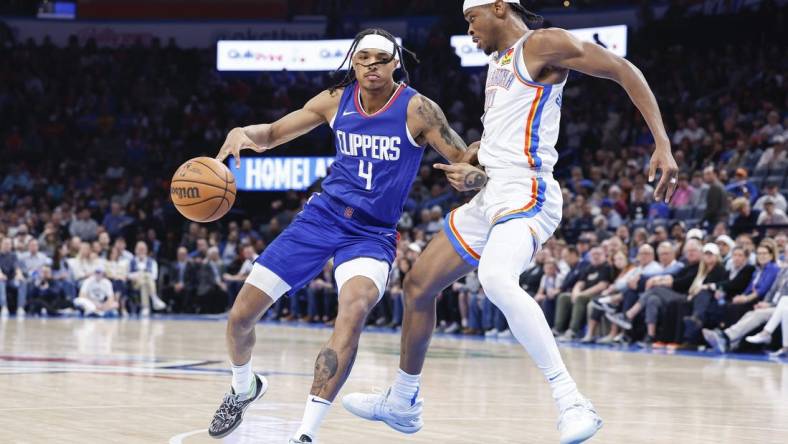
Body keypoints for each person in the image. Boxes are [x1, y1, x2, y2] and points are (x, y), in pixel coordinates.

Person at [342, 2, 678, 443]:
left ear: (499, 7)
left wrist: (662, 145)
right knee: (419, 285)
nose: (469, 31)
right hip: (490, 194)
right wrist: (474, 158)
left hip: (527, 190)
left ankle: (573, 402)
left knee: (496, 278)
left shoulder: (541, 44)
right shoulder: (499, 64)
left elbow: (623, 69)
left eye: (471, 19)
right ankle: (403, 402)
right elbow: (503, 134)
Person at [208, 28, 482, 443]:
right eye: (363, 58)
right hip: (321, 218)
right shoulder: (334, 101)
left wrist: (473, 175)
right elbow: (274, 133)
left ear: (395, 64)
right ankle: (243, 387)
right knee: (240, 318)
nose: (371, 65)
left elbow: (464, 160)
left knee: (352, 312)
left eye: (380, 59)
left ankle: (305, 434)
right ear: (353, 63)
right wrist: (245, 133)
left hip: (371, 234)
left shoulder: (419, 110)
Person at [554, 247, 612, 341]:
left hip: (598, 295)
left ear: (604, 255)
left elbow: (602, 285)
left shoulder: (606, 267)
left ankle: (573, 331)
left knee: (580, 298)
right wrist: (575, 292)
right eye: (593, 254)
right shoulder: (589, 267)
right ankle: (558, 329)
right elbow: (579, 283)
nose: (596, 256)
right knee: (563, 297)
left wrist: (581, 294)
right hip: (584, 295)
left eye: (598, 254)